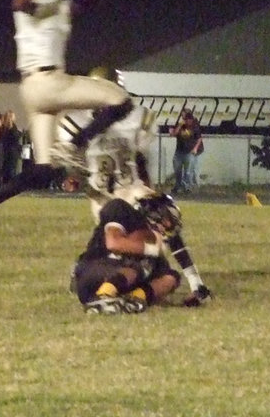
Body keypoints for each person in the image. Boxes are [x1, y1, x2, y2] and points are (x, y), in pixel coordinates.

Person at [0, 0, 141, 241]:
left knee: (45, 169)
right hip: (49, 82)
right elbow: (19, 4)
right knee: (120, 100)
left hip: (34, 89)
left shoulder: (57, 2)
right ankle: (76, 143)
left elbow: (86, 0)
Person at [57, 104, 213, 306]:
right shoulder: (78, 123)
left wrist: (149, 188)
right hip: (102, 195)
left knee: (163, 216)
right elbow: (70, 163)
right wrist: (74, 179)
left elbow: (140, 158)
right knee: (121, 249)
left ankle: (195, 282)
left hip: (130, 187)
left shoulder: (133, 120)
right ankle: (90, 273)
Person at [71, 195, 183, 314]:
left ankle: (133, 300)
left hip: (122, 282)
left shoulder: (155, 253)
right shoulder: (121, 209)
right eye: (166, 219)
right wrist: (151, 249)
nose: (166, 226)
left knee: (171, 276)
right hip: (92, 271)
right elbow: (114, 244)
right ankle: (103, 295)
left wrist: (187, 298)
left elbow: (165, 280)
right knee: (140, 265)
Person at [170, 109, 200, 193]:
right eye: (183, 117)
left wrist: (195, 148)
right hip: (179, 151)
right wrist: (179, 126)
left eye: (186, 118)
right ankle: (178, 185)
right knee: (177, 169)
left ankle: (187, 187)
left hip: (189, 151)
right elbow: (173, 134)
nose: (185, 120)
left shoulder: (194, 126)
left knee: (188, 171)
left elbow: (199, 138)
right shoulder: (180, 125)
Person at [0, 110, 23, 184]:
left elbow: (1, 138)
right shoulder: (13, 128)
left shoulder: (2, 128)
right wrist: (20, 133)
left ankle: (5, 185)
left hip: (5, 151)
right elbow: (16, 137)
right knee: (12, 169)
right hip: (13, 151)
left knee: (6, 169)